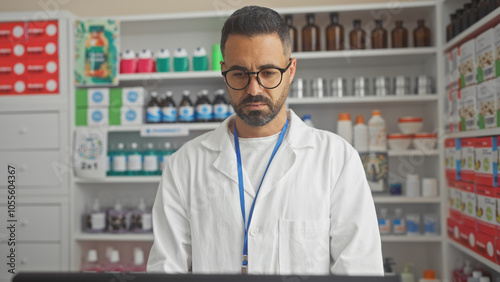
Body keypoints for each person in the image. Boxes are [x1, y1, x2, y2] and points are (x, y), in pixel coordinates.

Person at [147, 5, 383, 275]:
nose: (254, 89)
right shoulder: (184, 165)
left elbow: (360, 271)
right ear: (223, 72)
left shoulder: (337, 159)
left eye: (269, 72)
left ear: (291, 70)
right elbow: (165, 272)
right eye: (239, 74)